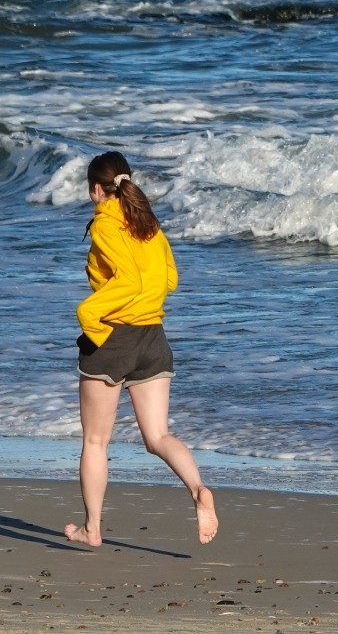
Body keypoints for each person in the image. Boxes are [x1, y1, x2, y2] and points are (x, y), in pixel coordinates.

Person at [64, 151, 218, 547]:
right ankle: (199, 490)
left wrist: (89, 312)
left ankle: (92, 528)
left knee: (96, 441)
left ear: (96, 189)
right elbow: (170, 278)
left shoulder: (105, 226)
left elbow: (128, 281)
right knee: (159, 437)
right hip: (153, 336)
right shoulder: (147, 222)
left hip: (113, 337)